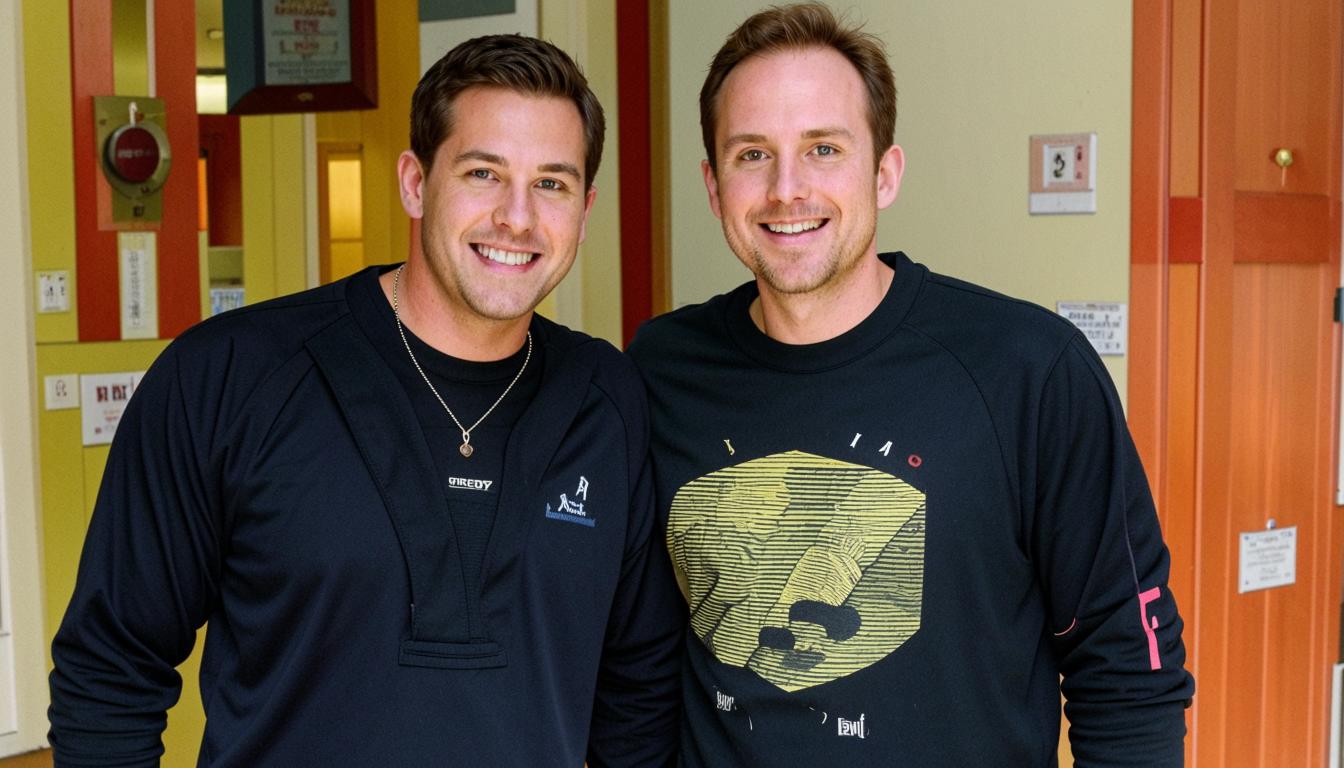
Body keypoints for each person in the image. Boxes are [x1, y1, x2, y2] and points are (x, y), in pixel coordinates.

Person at [49, 35, 683, 767]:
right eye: (483, 173)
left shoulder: (607, 402)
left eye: (552, 183)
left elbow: (637, 695)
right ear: (415, 182)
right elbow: (110, 665)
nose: (517, 216)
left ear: (585, 208)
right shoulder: (226, 377)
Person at [627, 3, 1195, 765]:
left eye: (824, 149)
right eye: (751, 154)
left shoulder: (1029, 369)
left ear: (885, 172)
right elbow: (639, 658)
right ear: (713, 184)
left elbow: (1128, 665)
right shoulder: (660, 369)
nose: (787, 188)